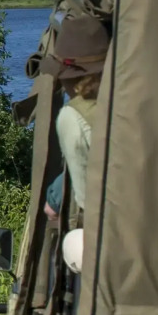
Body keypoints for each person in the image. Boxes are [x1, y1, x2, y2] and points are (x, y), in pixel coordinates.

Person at [45, 14, 108, 273]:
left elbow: (88, 203)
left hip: (120, 242)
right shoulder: (134, 99)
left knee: (73, 243)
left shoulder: (74, 117)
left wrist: (54, 199)